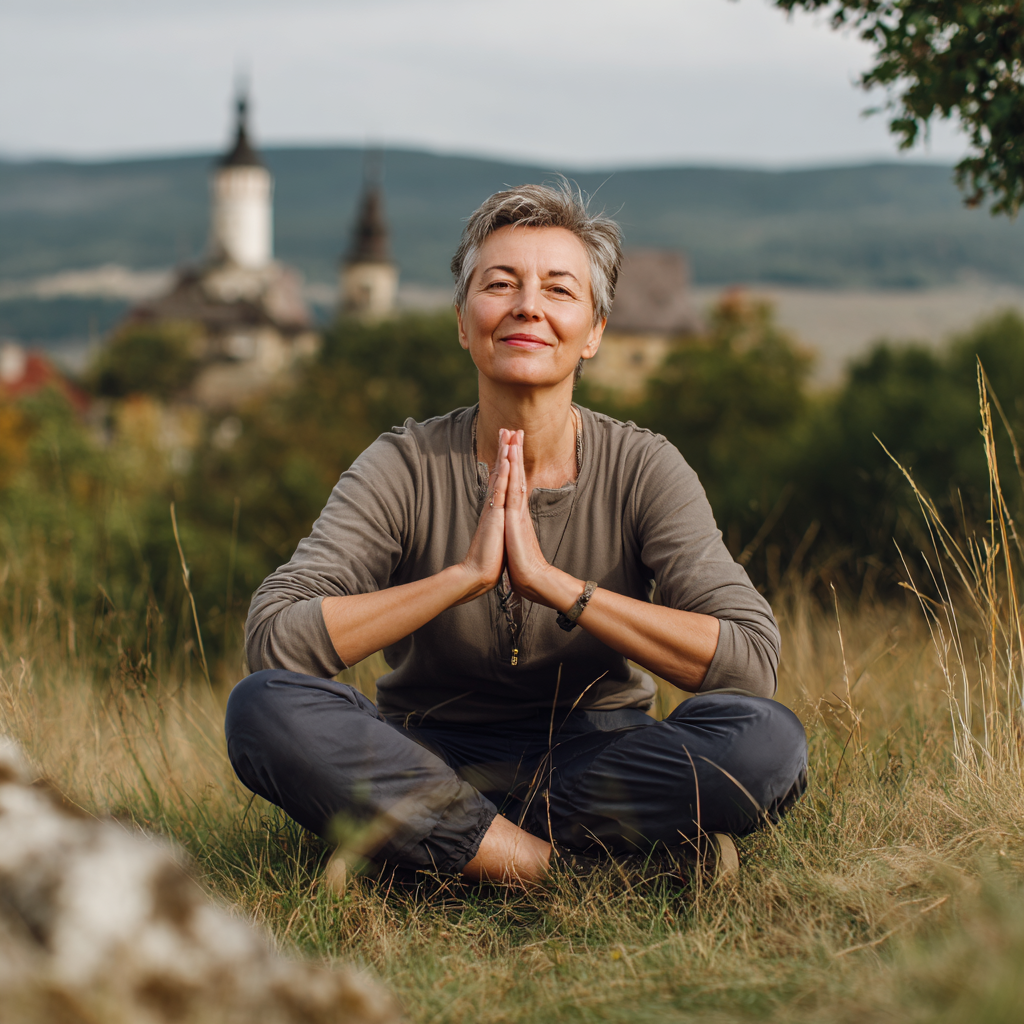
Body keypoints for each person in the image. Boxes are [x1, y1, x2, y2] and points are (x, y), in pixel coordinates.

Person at [225, 182, 808, 887]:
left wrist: (557, 587)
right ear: (465, 323)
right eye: (499, 284)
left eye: (559, 290)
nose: (527, 305)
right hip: (432, 752)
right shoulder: (403, 464)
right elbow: (276, 641)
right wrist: (460, 579)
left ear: (593, 331)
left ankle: (435, 847)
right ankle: (563, 871)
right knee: (262, 711)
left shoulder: (644, 466)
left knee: (767, 742)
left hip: (600, 757)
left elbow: (748, 664)